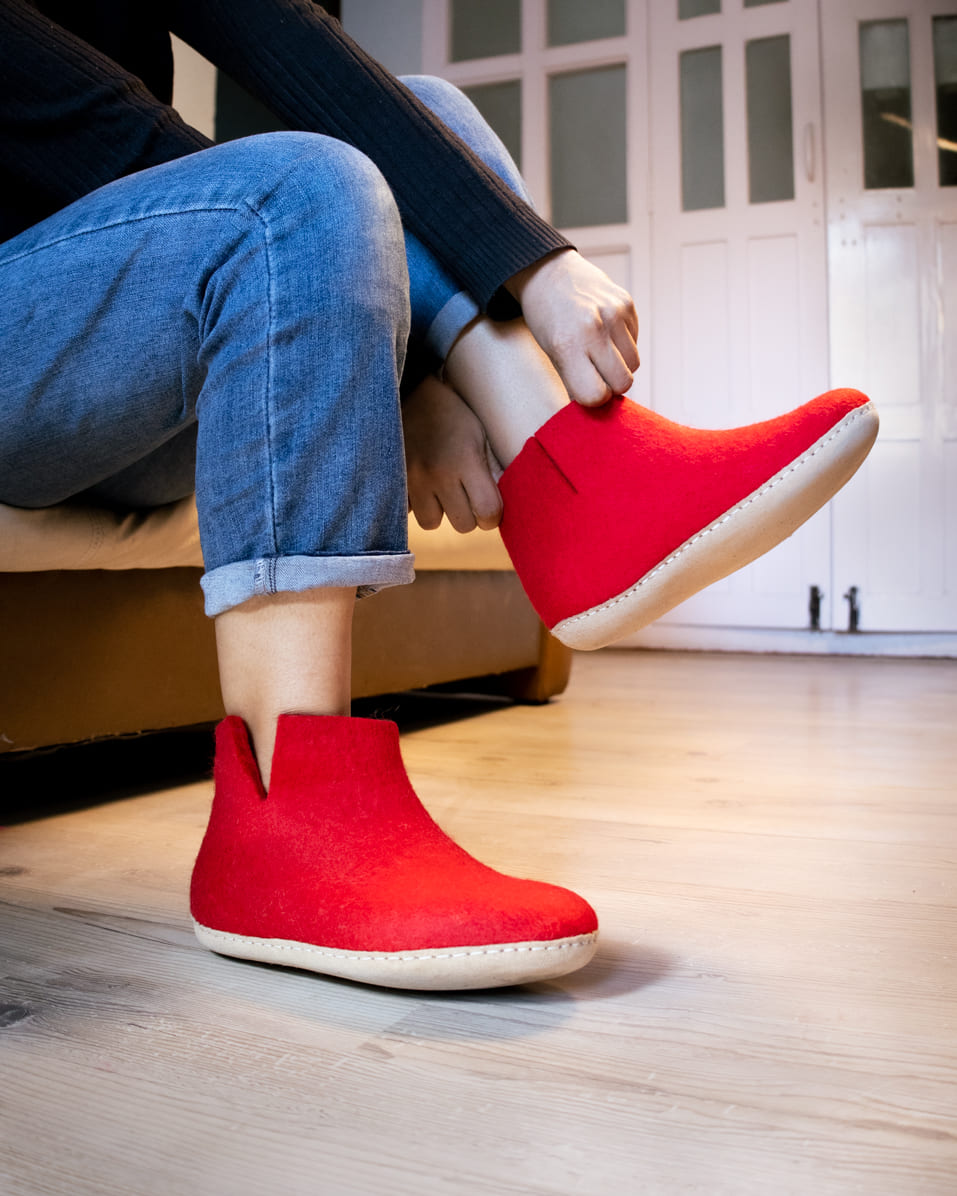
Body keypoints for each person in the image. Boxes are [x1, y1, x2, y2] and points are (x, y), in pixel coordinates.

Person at [0, 0, 877, 991]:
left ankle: (578, 475)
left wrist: (532, 260)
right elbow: (87, 132)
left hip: (144, 365)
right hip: (26, 346)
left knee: (420, 111)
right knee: (307, 189)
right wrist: (408, 370)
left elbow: (287, 41)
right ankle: (287, 816)